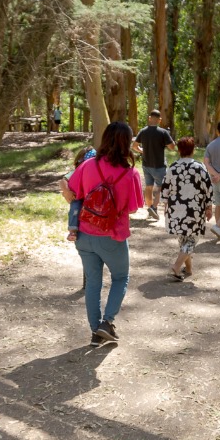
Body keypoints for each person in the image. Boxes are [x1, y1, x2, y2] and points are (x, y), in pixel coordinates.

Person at [66, 122, 144, 347]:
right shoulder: (130, 174)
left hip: (84, 233)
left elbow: (73, 192)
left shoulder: (88, 165)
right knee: (120, 277)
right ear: (127, 143)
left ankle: (94, 332)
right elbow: (133, 207)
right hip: (113, 236)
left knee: (93, 283)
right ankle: (107, 322)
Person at [161, 137, 213, 281]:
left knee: (183, 239)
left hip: (176, 208)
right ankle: (177, 266)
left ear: (178, 150)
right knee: (192, 239)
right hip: (194, 209)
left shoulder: (173, 167)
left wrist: (165, 205)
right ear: (193, 149)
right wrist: (209, 206)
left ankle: (189, 269)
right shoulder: (200, 167)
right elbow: (208, 188)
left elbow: (165, 188)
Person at [131, 109, 175, 222]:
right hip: (159, 165)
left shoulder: (143, 131)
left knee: (149, 187)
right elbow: (172, 147)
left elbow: (134, 146)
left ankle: (149, 208)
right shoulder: (163, 132)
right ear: (160, 120)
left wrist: (142, 151)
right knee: (160, 187)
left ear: (149, 118)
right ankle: (154, 208)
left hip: (146, 164)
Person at [61, 146, 97, 243]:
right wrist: (67, 191)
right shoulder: (75, 172)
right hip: (79, 197)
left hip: (92, 198)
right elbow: (63, 180)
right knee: (75, 208)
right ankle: (73, 230)